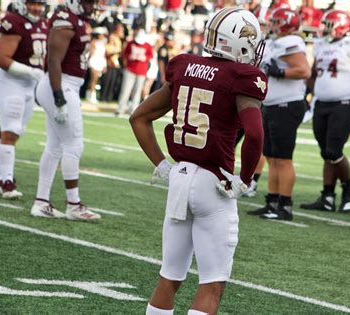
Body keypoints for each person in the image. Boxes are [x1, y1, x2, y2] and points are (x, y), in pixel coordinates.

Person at [130, 8, 266, 314]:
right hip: (212, 184)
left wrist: (162, 166)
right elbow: (255, 134)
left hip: (179, 176)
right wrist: (245, 179)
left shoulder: (185, 66)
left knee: (170, 276)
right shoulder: (242, 77)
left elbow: (139, 117)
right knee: (212, 284)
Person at [30, 0, 101, 221]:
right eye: (89, 2)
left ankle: (41, 202)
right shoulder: (65, 20)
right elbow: (53, 60)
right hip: (60, 85)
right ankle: (73, 204)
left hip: (65, 85)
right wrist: (59, 96)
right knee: (74, 144)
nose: (93, 6)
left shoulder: (75, 19)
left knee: (55, 146)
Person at [299, 10, 350, 213]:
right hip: (321, 103)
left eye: (329, 25)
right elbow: (313, 74)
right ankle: (327, 196)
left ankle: (348, 190)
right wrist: (312, 91)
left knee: (334, 151)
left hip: (344, 104)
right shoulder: (322, 44)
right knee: (326, 153)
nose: (325, 29)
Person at [247, 7, 310, 220]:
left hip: (287, 105)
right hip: (273, 105)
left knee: (283, 159)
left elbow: (303, 70)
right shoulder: (276, 42)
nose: (272, 25)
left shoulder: (290, 42)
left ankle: (285, 206)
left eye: (275, 22)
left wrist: (280, 72)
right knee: (273, 157)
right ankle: (272, 202)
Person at [0, 0, 47, 198]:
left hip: (28, 84)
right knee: (9, 132)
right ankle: (7, 182)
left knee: (15, 133)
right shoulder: (12, 21)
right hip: (10, 82)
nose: (36, 8)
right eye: (32, 3)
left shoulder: (42, 23)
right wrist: (31, 71)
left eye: (40, 4)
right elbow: (2, 59)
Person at [116, 28, 154, 115]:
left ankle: (133, 109)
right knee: (125, 89)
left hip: (141, 71)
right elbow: (125, 54)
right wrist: (131, 57)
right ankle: (121, 108)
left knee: (137, 91)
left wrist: (143, 57)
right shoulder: (131, 43)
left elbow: (150, 57)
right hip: (130, 69)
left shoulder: (148, 46)